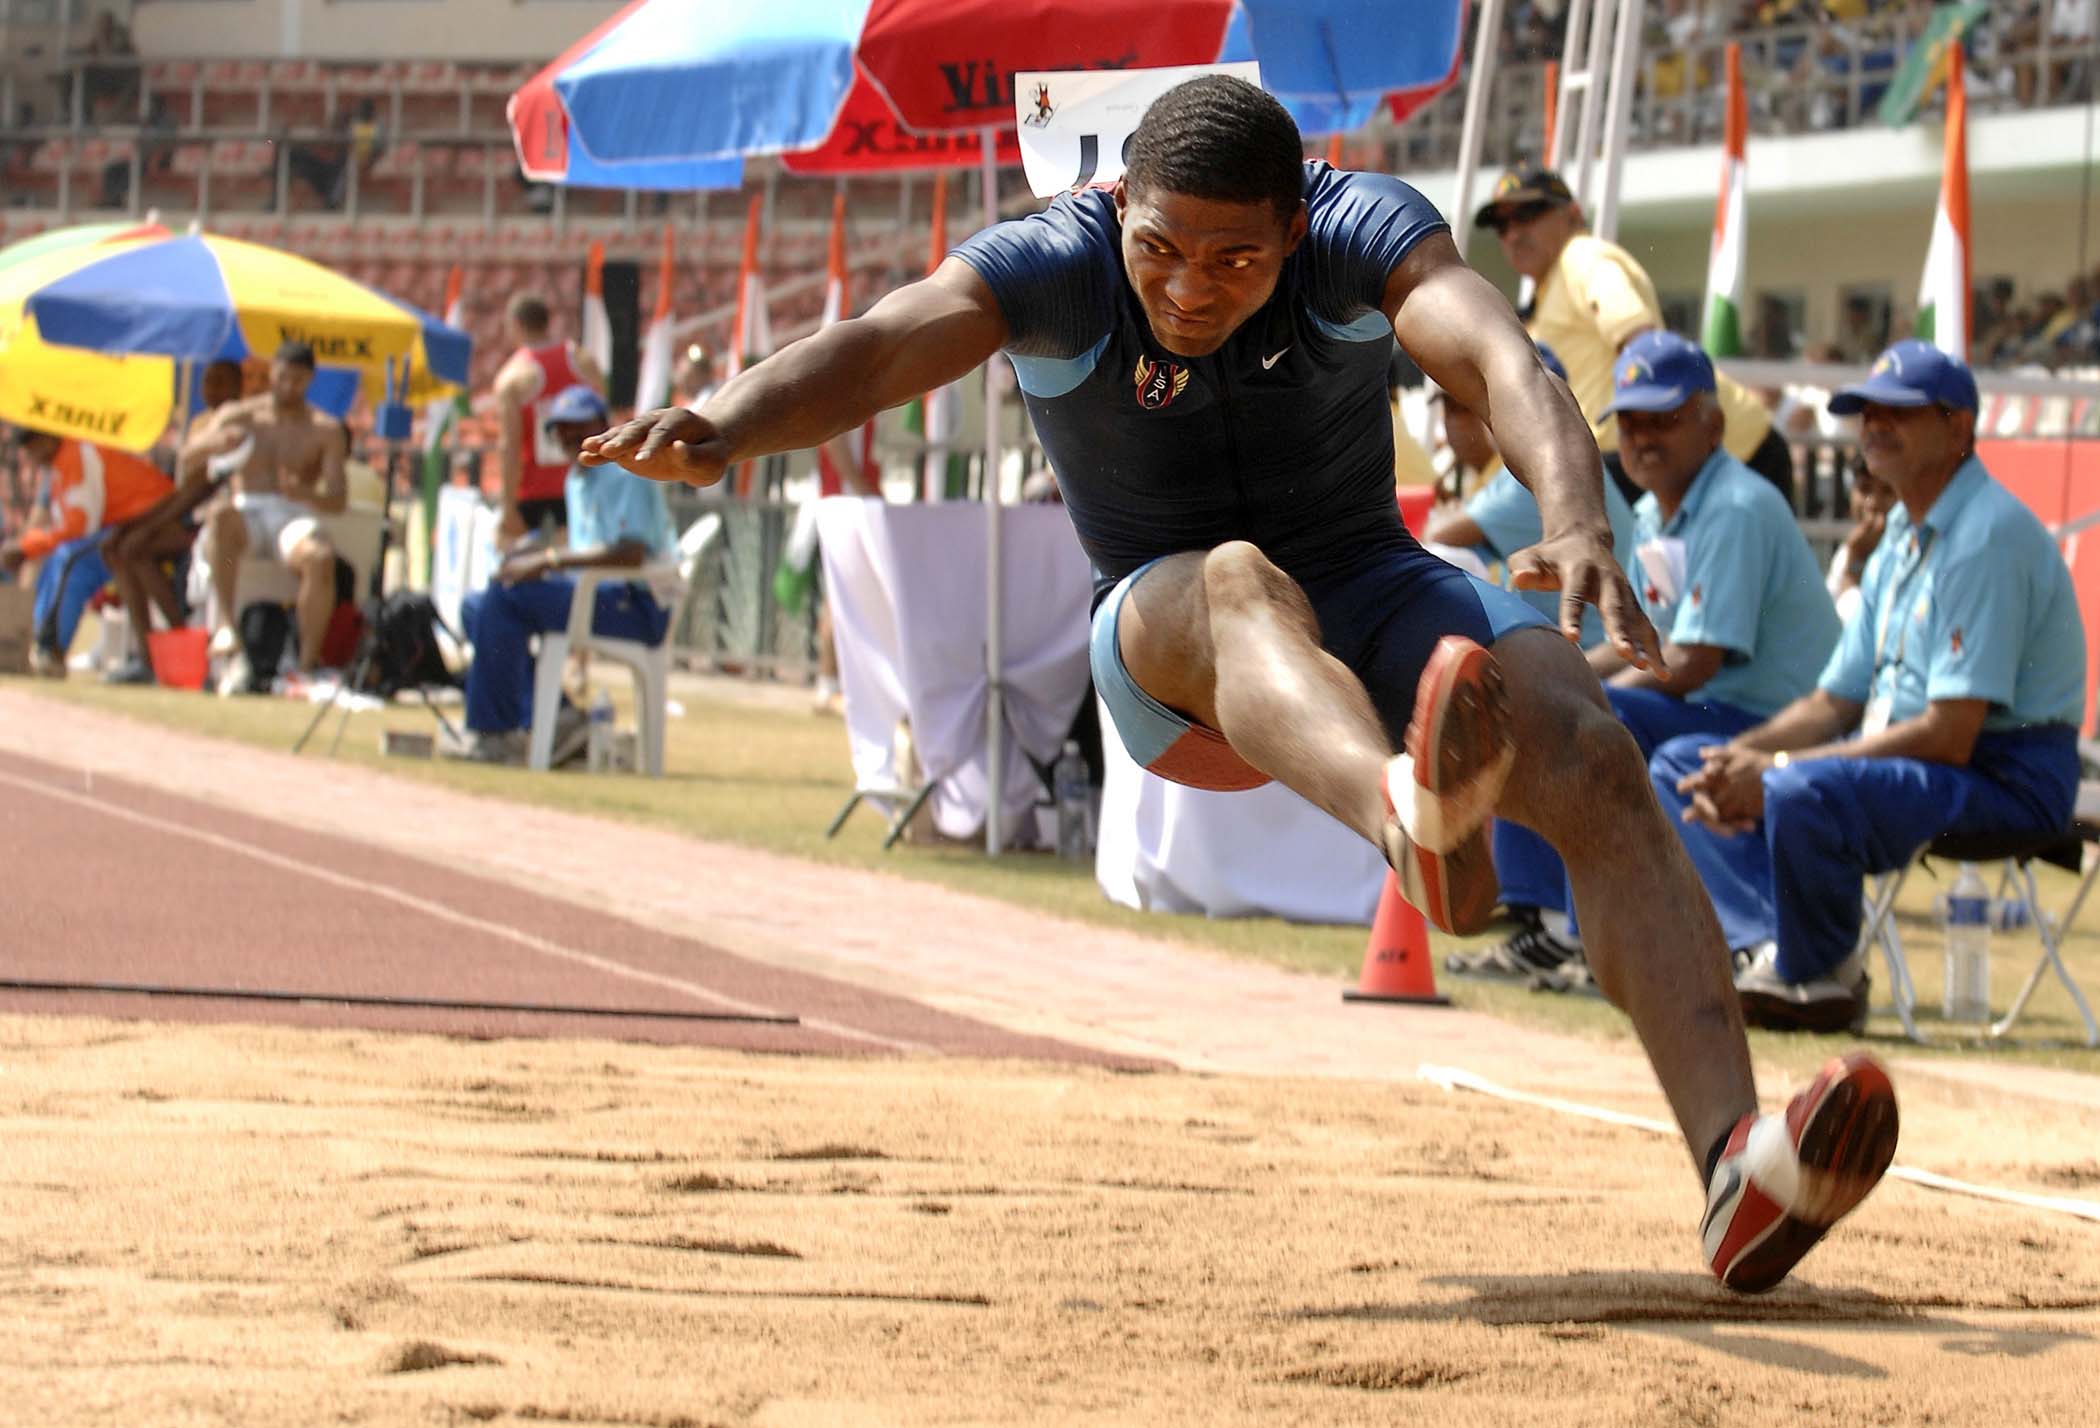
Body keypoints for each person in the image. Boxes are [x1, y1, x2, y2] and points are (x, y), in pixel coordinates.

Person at [586, 76, 1898, 1293]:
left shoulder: (1359, 231)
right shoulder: (1056, 259)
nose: (1189, 289)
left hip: (1372, 591)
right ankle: (1408, 819)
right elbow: (879, 347)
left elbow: (1502, 358)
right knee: (1232, 578)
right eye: (1160, 249)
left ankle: (1735, 1167)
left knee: (1587, 742)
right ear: (1120, 211)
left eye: (1234, 261)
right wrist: (729, 419)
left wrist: (1576, 514)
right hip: (1173, 644)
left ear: (1296, 223)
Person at [1657, 341, 2087, 1032]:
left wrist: (1775, 767)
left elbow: (1950, 736)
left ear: (1958, 428)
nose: (1876, 425)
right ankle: (1768, 947)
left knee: (1793, 785)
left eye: (1901, 411)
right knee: (1682, 763)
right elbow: (1833, 701)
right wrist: (1743, 757)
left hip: (2007, 777)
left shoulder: (1985, 536)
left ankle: (1824, 973)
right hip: (1923, 761)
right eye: (1867, 410)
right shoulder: (1900, 538)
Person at [1481, 332, 1841, 978]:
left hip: (1765, 721)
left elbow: (1697, 660)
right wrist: (1559, 677)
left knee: (1582, 717)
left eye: (1664, 419)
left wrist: (1571, 685)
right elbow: (1645, 641)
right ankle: (1554, 923)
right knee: (1554, 704)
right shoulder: (1652, 512)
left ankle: (1581, 931)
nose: (1644, 437)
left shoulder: (1736, 505)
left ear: (1714, 425)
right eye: (1632, 421)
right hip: (1712, 706)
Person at [1474, 167, 1796, 510]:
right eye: (1502, 225)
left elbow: (1640, 343)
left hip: (1730, 451)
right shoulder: (1547, 291)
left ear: (1572, 215)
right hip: (1667, 458)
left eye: (1526, 214)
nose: (1513, 234)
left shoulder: (1582, 257)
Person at [450, 385, 678, 766]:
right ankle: (555, 715)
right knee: (478, 605)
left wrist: (547, 561)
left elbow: (629, 553)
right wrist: (530, 555)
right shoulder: (577, 480)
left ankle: (493, 733)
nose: (571, 437)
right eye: (561, 429)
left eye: (579, 426)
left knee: (505, 600)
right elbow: (586, 547)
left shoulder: (627, 470)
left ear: (602, 425)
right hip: (596, 595)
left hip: (637, 603)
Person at [191, 341, 346, 692]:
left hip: (293, 514)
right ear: (271, 371)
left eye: (298, 380)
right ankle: (228, 628)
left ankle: (305, 667)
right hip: (248, 508)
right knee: (221, 517)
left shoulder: (324, 429)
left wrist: (303, 492)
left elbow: (338, 499)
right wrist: (212, 446)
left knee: (320, 557)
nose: (289, 386)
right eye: (283, 377)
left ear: (310, 380)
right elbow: (188, 457)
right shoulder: (241, 416)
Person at [100, 359, 246, 684]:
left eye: (222, 381)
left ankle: (177, 644)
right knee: (115, 547)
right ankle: (147, 651)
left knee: (134, 548)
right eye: (209, 381)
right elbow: (181, 491)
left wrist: (149, 527)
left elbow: (201, 487)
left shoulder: (238, 426)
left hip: (220, 523)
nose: (213, 389)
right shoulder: (200, 424)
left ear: (240, 387)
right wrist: (140, 522)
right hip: (187, 515)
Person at [0, 427, 173, 677]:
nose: (32, 458)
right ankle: (38, 642)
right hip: (128, 523)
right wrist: (29, 546)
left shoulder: (77, 453)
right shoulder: (60, 462)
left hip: (154, 518)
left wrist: (27, 547)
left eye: (32, 449)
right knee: (59, 558)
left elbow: (81, 526)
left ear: (48, 438)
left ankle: (52, 650)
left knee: (72, 560)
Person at [492, 294, 606, 544]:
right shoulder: (582, 361)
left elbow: (509, 447)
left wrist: (507, 506)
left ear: (516, 324)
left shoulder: (512, 378)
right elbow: (604, 422)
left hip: (534, 491)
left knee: (519, 567)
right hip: (583, 481)